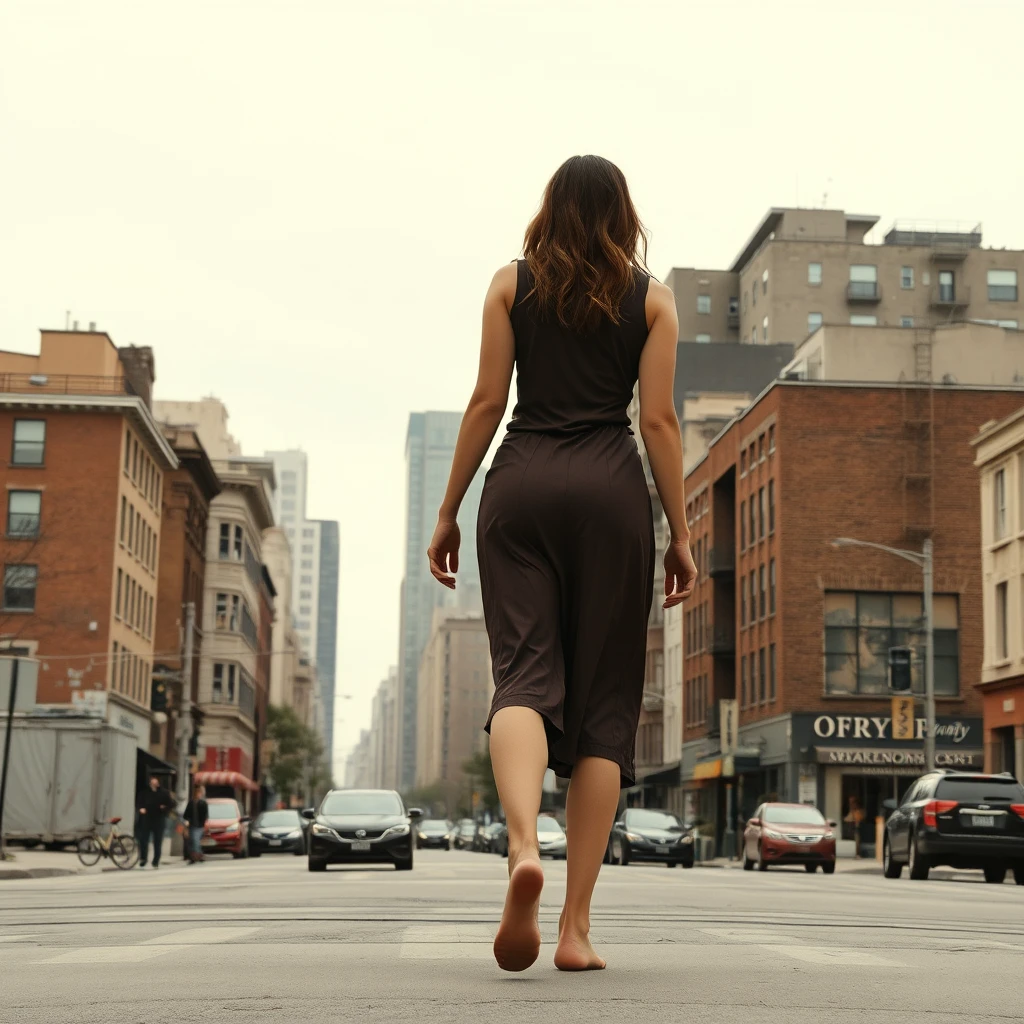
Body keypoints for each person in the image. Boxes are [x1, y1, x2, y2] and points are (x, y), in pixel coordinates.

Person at [427, 155, 697, 973]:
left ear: (549, 209)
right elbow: (658, 423)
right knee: (602, 713)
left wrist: (448, 509)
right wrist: (680, 533)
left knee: (523, 680)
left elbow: (485, 401)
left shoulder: (510, 285)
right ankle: (575, 929)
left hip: (522, 484)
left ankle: (519, 849)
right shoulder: (653, 301)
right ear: (624, 213)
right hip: (612, 494)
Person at [136, 774, 173, 869]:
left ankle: (156, 860)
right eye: (152, 782)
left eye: (156, 782)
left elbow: (171, 804)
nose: (154, 783)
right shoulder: (144, 793)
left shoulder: (164, 793)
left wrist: (164, 808)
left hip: (159, 819)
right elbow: (139, 803)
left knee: (157, 841)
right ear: (150, 783)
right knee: (143, 840)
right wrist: (141, 809)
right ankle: (143, 859)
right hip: (147, 818)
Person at [182, 785, 209, 864]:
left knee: (195, 841)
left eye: (200, 793)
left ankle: (197, 856)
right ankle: (195, 857)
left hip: (200, 826)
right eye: (197, 793)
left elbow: (206, 815)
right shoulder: (191, 803)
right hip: (192, 825)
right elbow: (185, 815)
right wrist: (187, 821)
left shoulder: (203, 803)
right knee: (193, 841)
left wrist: (205, 824)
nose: (199, 795)